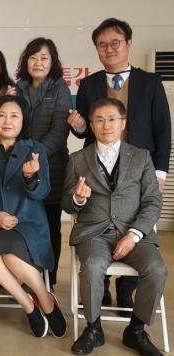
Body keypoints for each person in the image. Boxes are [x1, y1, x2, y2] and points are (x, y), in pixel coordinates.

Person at [67, 17, 171, 311]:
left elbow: (163, 129)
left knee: (132, 224)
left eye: (115, 43)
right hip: (99, 170)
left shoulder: (150, 82)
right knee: (99, 225)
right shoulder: (89, 84)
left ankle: (127, 291)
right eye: (102, 45)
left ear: (128, 44)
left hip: (138, 171)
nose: (109, 49)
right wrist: (77, 127)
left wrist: (159, 172)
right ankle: (98, 288)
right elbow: (86, 130)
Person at [62, 98, 166, 356]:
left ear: (123, 123)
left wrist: (134, 235)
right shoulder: (77, 159)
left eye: (112, 119)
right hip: (93, 233)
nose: (106, 125)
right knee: (93, 266)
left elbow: (153, 201)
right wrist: (78, 199)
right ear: (91, 125)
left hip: (134, 233)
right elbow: (66, 203)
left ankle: (136, 330)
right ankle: (93, 328)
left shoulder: (141, 157)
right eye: (99, 120)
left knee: (156, 269)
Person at [0, 95, 66, 338]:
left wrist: (31, 177)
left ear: (24, 121)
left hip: (27, 223)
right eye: (1, 115)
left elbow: (43, 192)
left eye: (14, 116)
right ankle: (29, 304)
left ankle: (44, 299)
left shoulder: (35, 149)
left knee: (8, 254)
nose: (7, 121)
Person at [14, 38, 71, 287]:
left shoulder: (60, 89)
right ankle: (27, 278)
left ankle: (49, 282)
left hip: (51, 169)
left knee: (49, 226)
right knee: (24, 225)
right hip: (20, 168)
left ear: (52, 62)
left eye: (44, 58)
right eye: (33, 57)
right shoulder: (18, 88)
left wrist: (32, 156)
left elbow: (59, 133)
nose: (38, 62)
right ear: (26, 61)